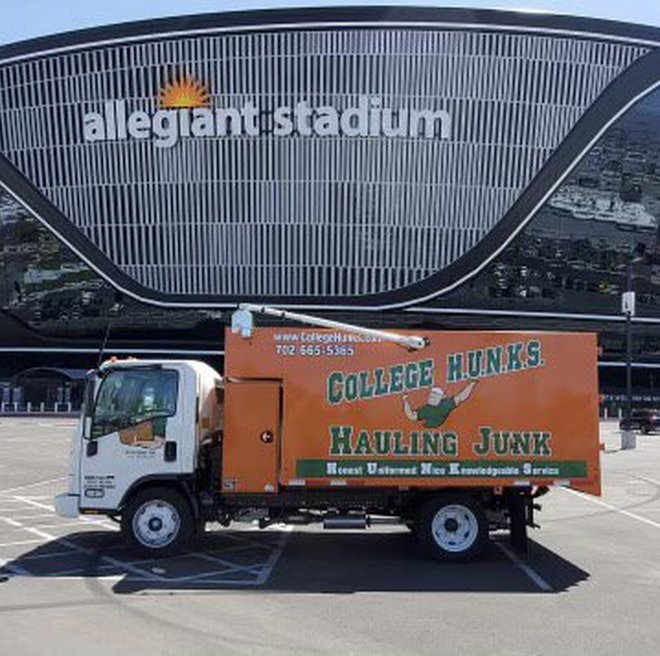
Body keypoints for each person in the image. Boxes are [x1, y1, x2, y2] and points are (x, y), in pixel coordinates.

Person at [402, 380, 478, 428]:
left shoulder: (445, 406)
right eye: (432, 394)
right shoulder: (425, 409)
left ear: (441, 397)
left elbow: (460, 397)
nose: (432, 396)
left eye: (435, 394)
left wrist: (472, 384)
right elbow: (411, 416)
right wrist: (405, 400)